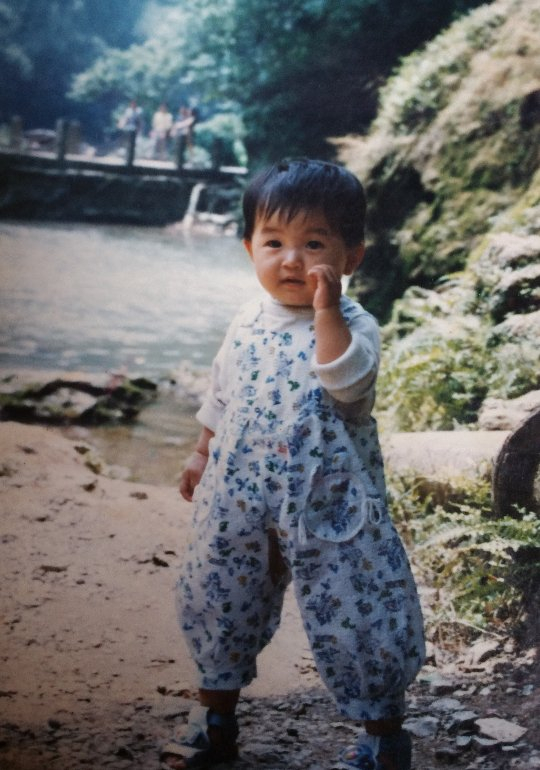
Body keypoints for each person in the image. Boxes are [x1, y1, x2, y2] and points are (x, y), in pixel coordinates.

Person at [162, 158, 425, 770]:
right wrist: (201, 451)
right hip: (240, 495)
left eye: (314, 244)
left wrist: (327, 310)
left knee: (359, 607)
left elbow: (347, 388)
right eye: (274, 242)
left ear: (351, 256)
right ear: (249, 248)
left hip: (330, 500)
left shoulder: (355, 326)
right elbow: (221, 393)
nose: (291, 261)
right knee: (221, 592)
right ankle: (214, 718)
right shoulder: (246, 321)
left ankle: (382, 737)